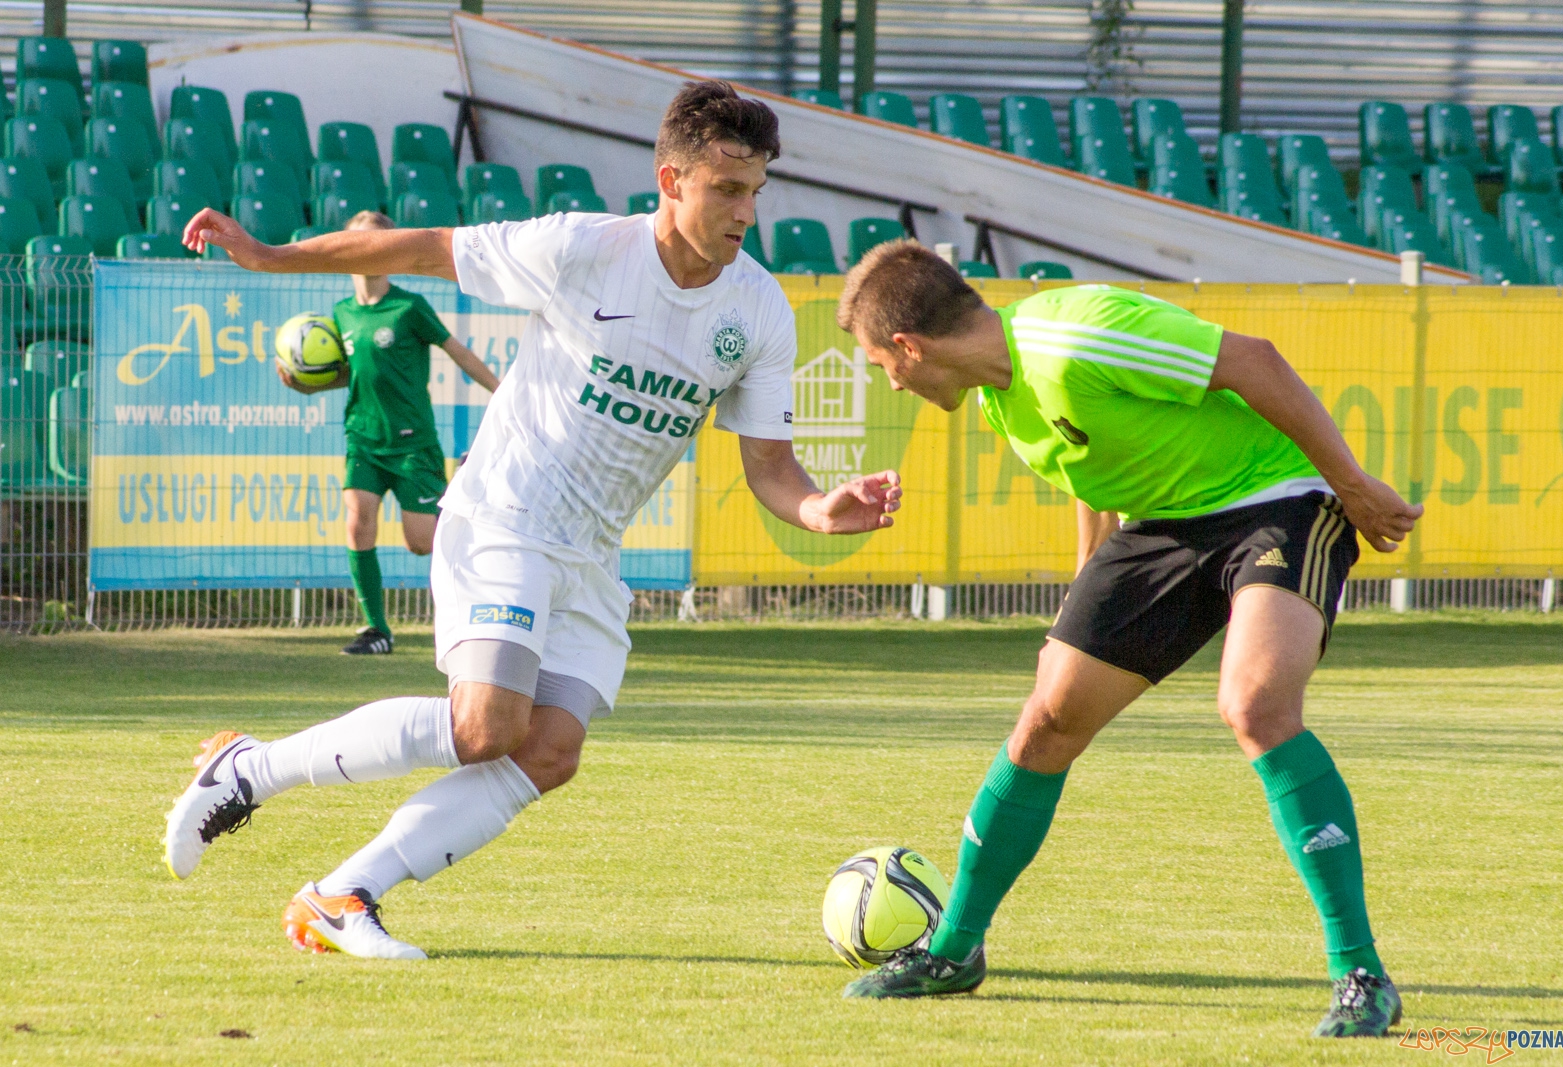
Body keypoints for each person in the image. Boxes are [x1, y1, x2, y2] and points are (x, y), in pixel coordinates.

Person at [162, 81, 901, 959]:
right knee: (485, 726)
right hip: (508, 509)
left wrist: (821, 509)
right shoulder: (584, 248)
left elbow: (772, 469)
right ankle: (248, 769)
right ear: (671, 179)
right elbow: (427, 247)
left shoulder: (759, 312)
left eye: (755, 191)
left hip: (590, 551)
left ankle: (339, 895)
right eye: (726, 189)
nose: (746, 211)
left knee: (548, 750)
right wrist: (271, 256)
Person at [829, 241, 1419, 1039]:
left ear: (909, 346)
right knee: (1045, 720)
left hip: (1281, 499)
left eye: (879, 364)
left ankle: (1361, 974)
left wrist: (1351, 485)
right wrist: (1085, 600)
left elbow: (1256, 362)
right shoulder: (1005, 397)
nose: (888, 381)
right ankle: (953, 949)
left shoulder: (1074, 337)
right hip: (1166, 529)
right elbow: (1095, 475)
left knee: (1254, 704)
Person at [279, 210, 500, 656]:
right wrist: (304, 382)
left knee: (421, 544)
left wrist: (502, 391)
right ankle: (376, 629)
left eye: (382, 243)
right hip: (363, 437)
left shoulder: (409, 307)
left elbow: (458, 351)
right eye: (362, 243)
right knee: (357, 523)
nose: (373, 251)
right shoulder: (340, 315)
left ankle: (478, 557)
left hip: (412, 443)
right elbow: (355, 374)